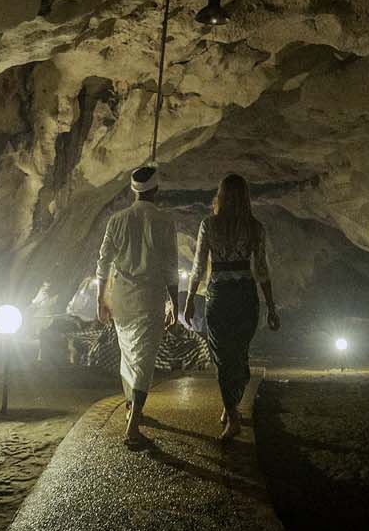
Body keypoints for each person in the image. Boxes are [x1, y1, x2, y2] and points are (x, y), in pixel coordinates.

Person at [181, 173, 280, 440]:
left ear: (220, 195)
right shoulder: (255, 227)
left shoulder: (209, 225)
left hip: (220, 297)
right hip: (246, 296)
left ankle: (232, 415)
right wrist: (270, 305)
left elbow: (199, 267)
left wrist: (190, 299)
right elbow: (261, 269)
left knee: (223, 358)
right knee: (239, 356)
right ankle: (231, 408)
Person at [97, 164, 179, 445]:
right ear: (156, 189)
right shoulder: (164, 221)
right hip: (149, 296)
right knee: (143, 359)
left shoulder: (117, 220)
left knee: (128, 353)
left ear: (133, 190)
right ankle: (132, 426)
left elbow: (103, 262)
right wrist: (174, 303)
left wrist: (101, 298)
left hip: (122, 297)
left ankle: (133, 408)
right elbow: (170, 266)